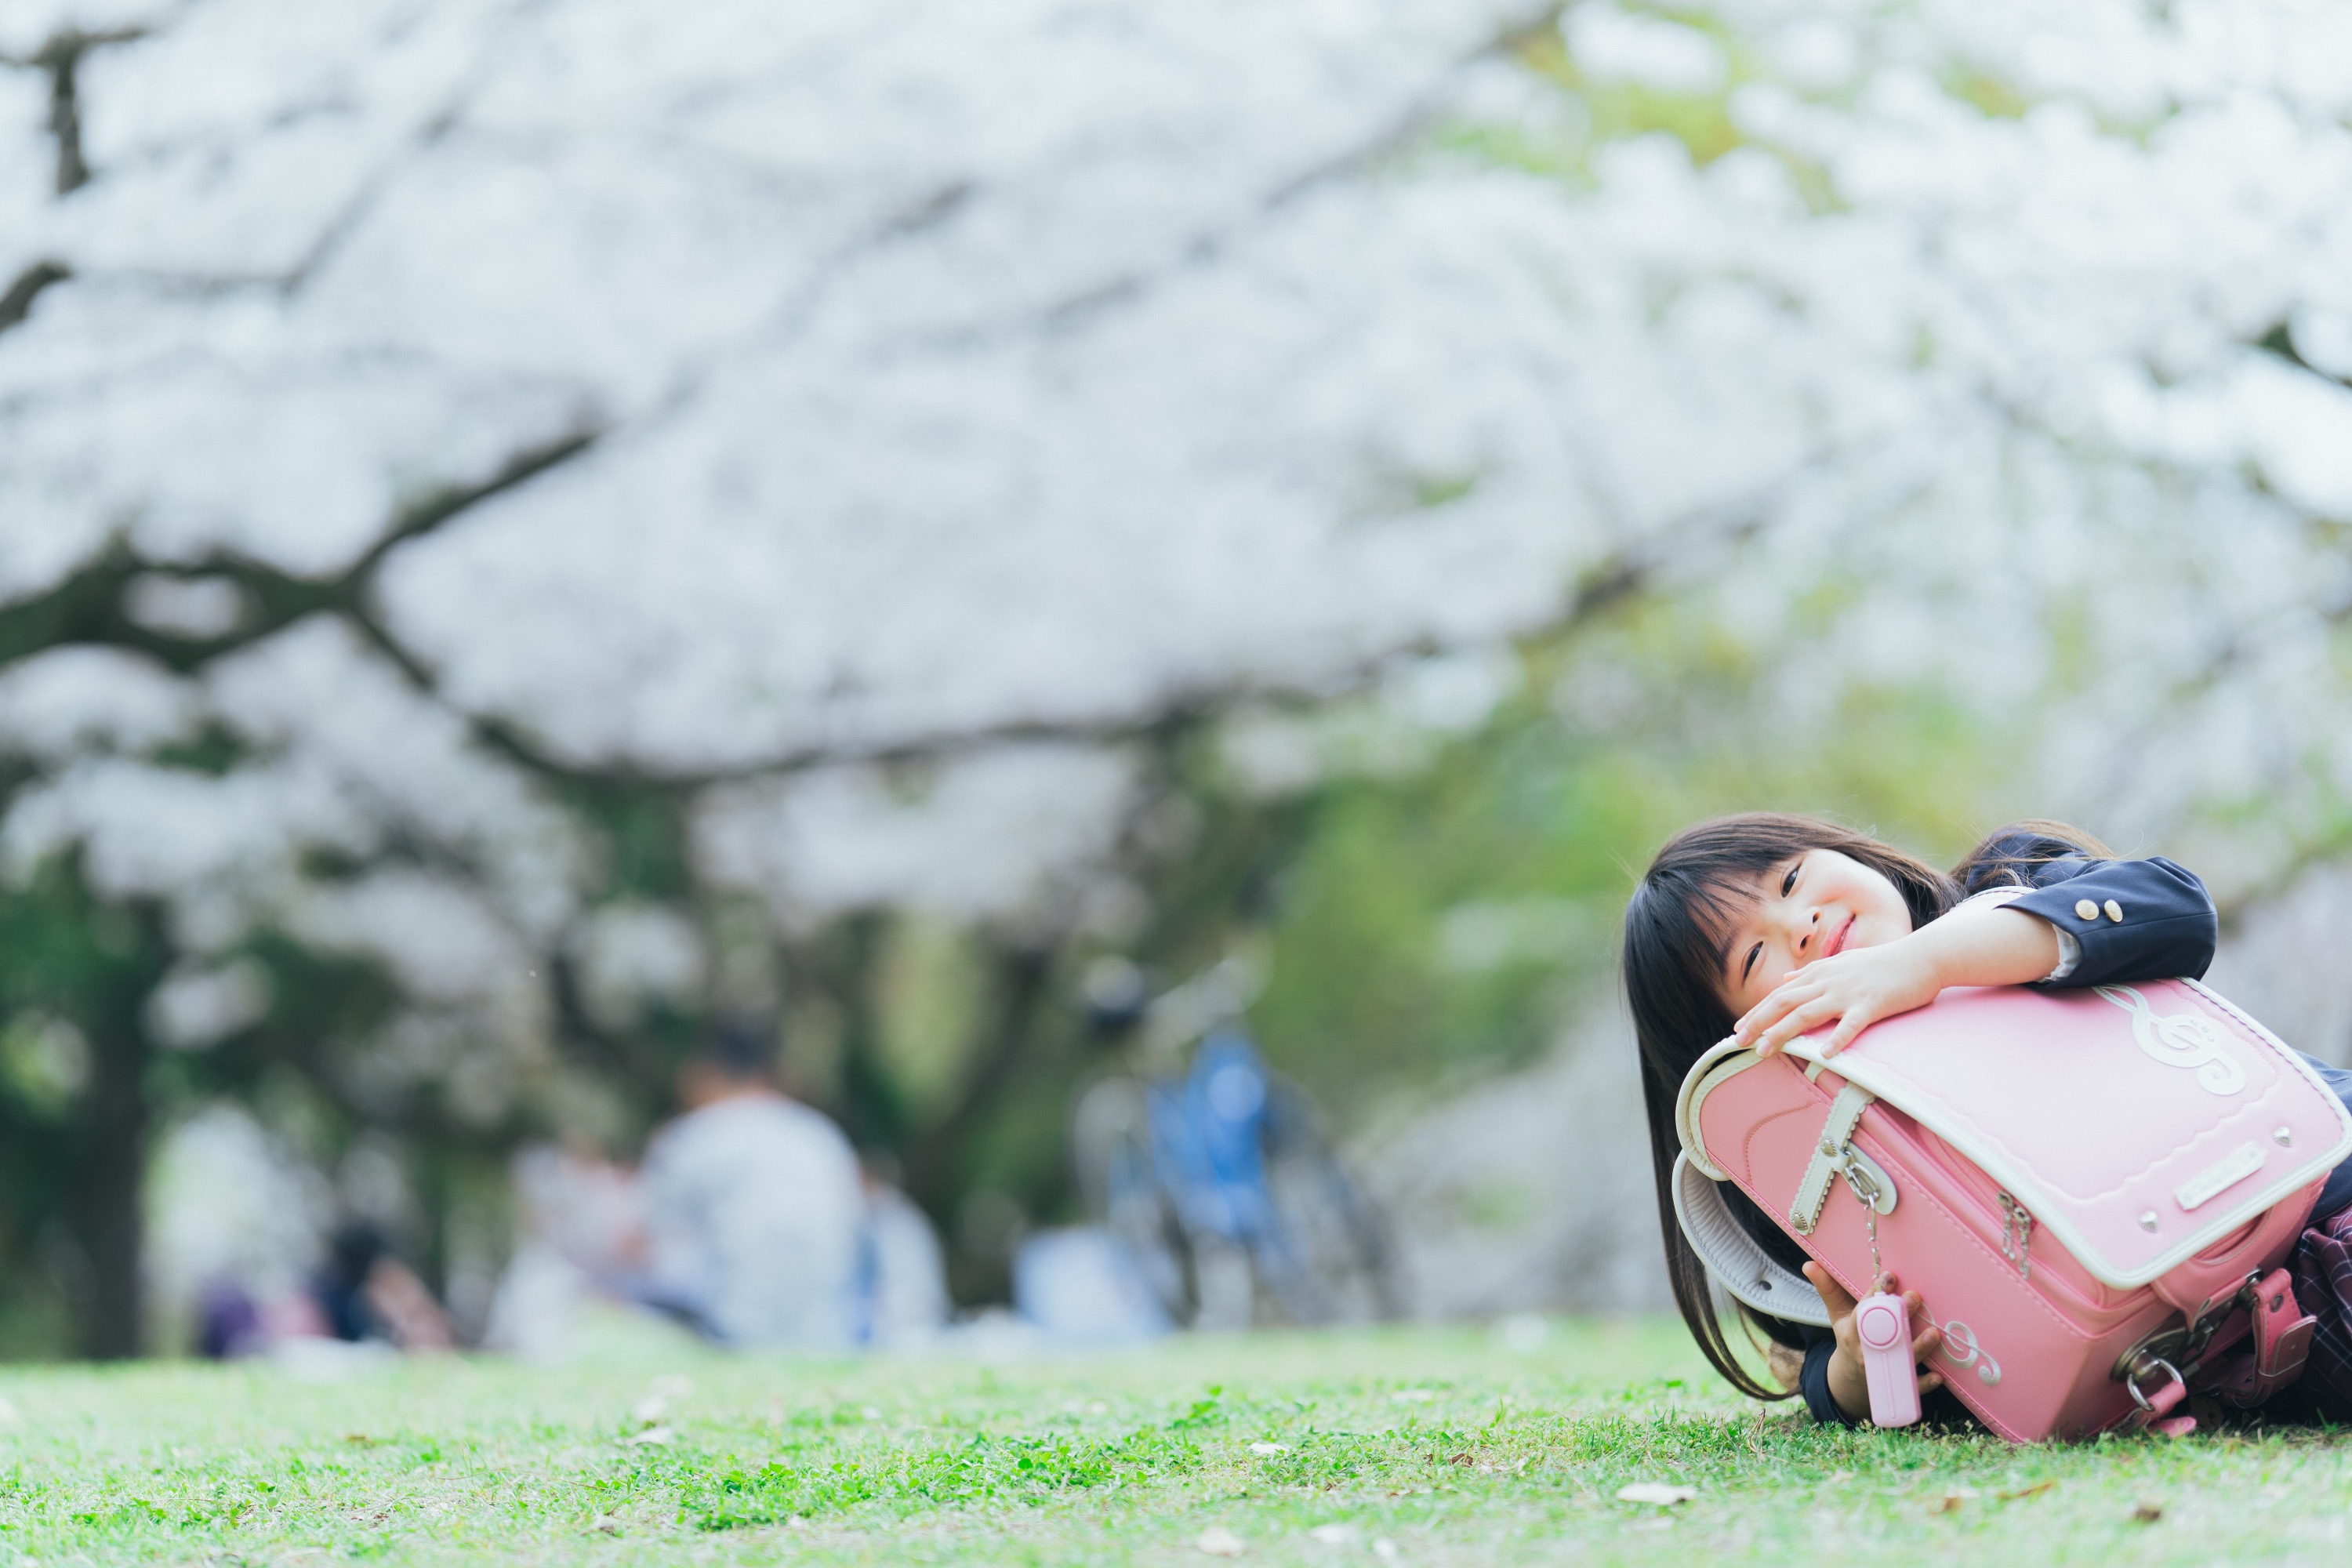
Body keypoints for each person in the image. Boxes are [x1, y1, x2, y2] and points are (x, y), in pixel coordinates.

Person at [1621, 814, 2352, 1425]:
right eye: (1755, 955)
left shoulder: (2006, 884)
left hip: (2321, 1191)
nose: (1802, 925)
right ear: (1737, 1047)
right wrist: (1855, 1373)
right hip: (2223, 1349)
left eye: (1790, 882)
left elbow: (2176, 907)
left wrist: (1932, 964)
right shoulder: (1816, 1158)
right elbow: (1823, 1350)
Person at [636, 1023, 866, 1348]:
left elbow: (641, 1247)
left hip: (730, 1333)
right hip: (826, 1337)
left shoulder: (695, 1135)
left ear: (704, 1073)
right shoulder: (823, 1135)